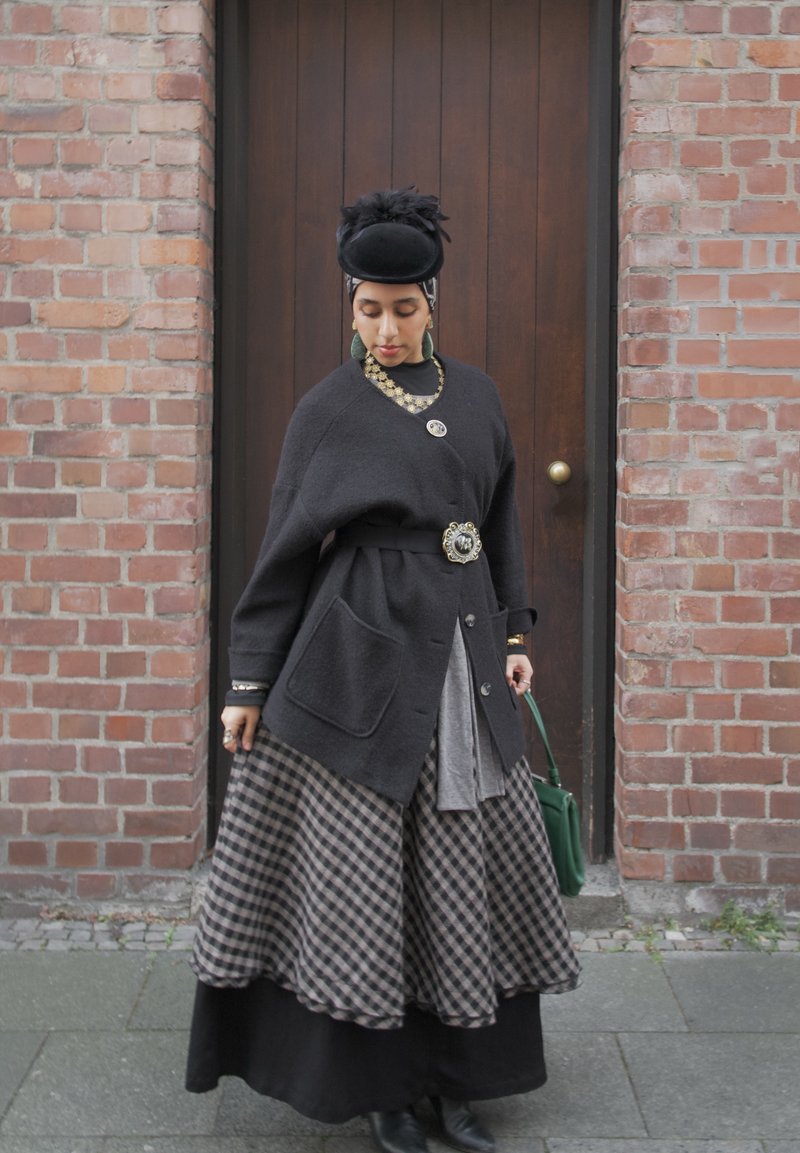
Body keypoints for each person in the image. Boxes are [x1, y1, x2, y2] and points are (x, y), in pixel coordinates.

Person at [185, 188, 580, 1153]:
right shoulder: (328, 412)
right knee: (366, 876)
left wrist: (516, 635)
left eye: (404, 307)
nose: (388, 327)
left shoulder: (478, 397)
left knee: (456, 870)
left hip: (462, 663)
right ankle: (386, 1093)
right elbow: (283, 554)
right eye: (369, 308)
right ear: (349, 306)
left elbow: (498, 528)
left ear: (433, 299)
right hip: (358, 664)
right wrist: (247, 683)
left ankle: (455, 1081)